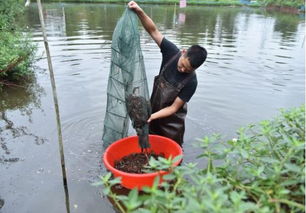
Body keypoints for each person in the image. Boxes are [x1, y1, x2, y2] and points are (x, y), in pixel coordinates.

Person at [128, 1, 207, 146]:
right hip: (152, 117)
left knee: (171, 158)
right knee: (147, 152)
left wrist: (150, 116)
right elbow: (153, 31)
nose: (183, 70)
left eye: (188, 70)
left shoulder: (192, 82)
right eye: (183, 65)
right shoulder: (171, 53)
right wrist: (139, 11)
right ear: (183, 53)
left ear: (195, 69)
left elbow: (173, 108)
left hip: (171, 126)